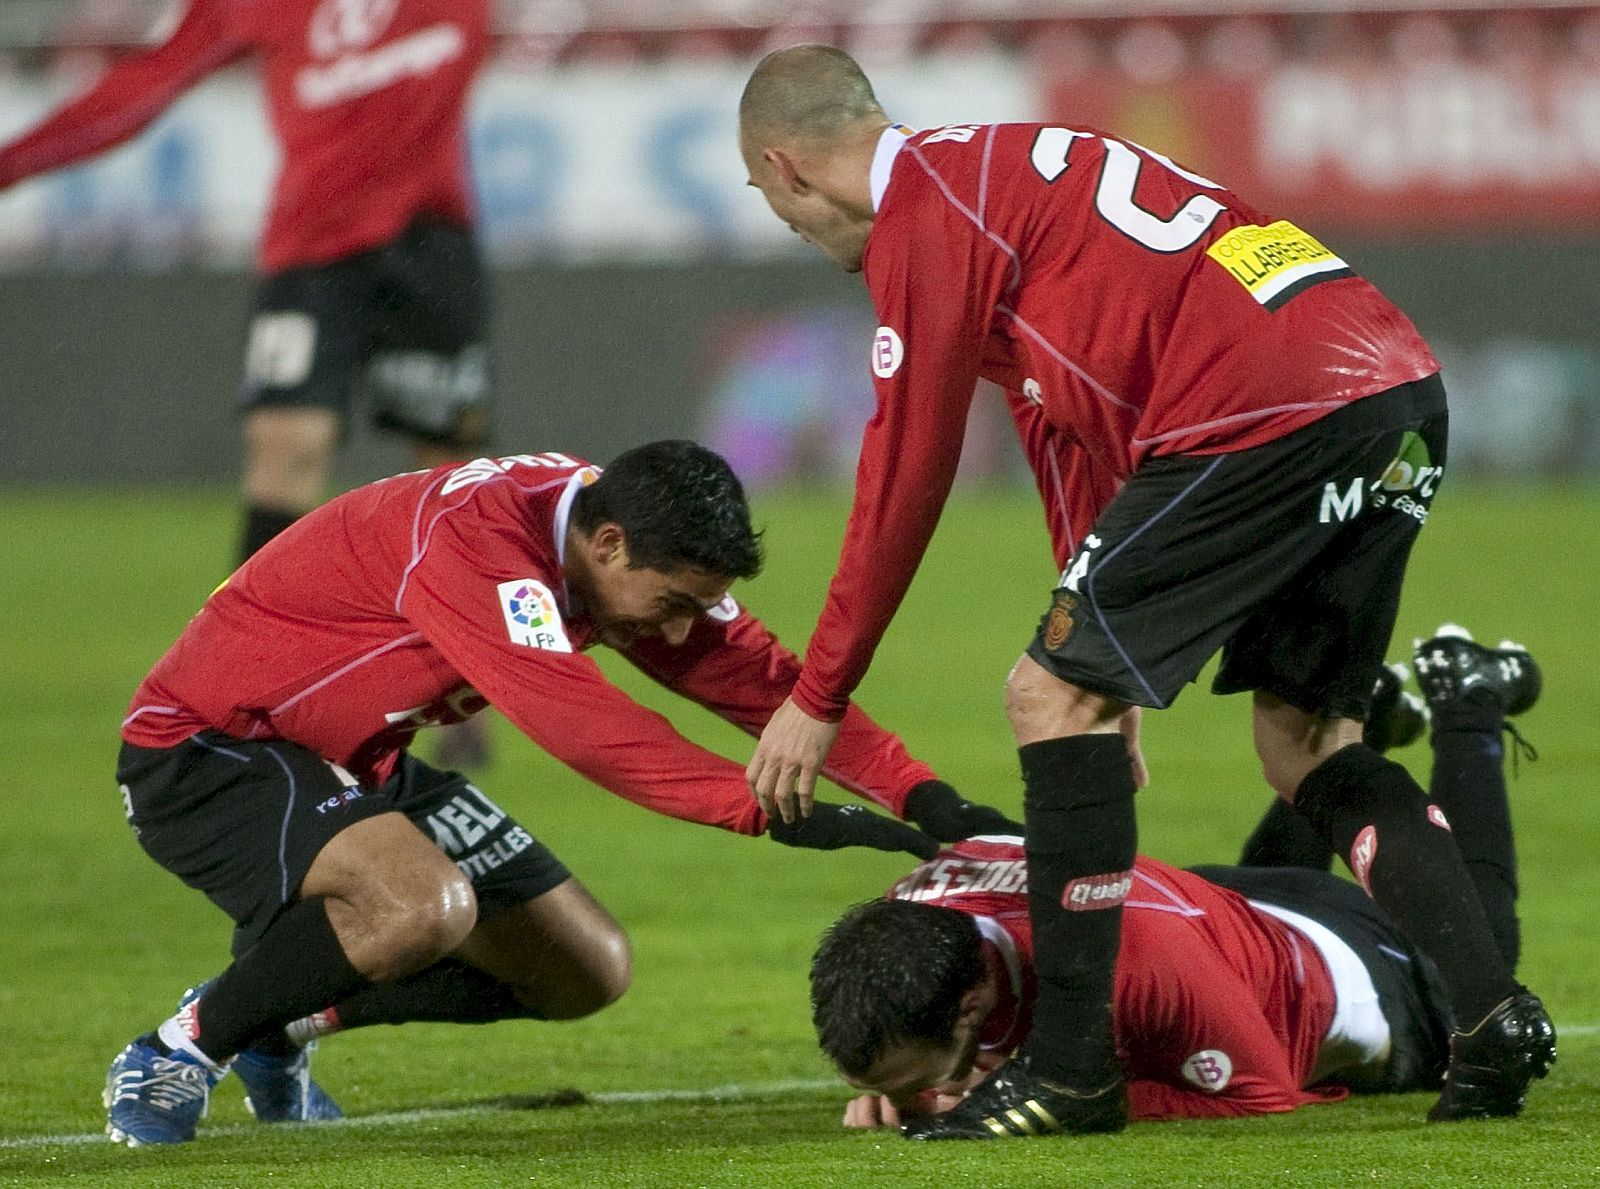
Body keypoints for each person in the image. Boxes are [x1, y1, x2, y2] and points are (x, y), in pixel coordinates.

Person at [736, 44, 1553, 1133]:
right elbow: (1057, 428)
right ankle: (1488, 1014)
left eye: (775, 205)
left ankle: (1071, 1071)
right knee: (1306, 743)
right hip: (1391, 389)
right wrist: (1108, 675)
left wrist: (820, 692)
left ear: (787, 169)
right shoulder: (1001, 177)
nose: (794, 231)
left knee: (1041, 697)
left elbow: (904, 467)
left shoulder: (926, 214)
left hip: (1259, 410)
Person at [106, 440, 1018, 1147]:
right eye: (673, 602)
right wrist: (766, 810)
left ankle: (279, 1014)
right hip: (214, 744)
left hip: (360, 761)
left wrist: (922, 793)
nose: (679, 625)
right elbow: (586, 728)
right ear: (611, 543)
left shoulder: (611, 540)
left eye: (698, 605)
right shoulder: (480, 544)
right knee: (422, 906)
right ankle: (176, 1050)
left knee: (585, 970)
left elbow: (759, 678)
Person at [811, 629, 1544, 1131]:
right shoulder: (910, 918)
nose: (915, 1100)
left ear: (972, 1000)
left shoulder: (1142, 965)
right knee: (1230, 920)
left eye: (915, 1080)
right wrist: (905, 1091)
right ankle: (1367, 725)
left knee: (1479, 950)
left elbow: (1264, 1093)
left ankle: (1468, 702)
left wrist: (1038, 1092)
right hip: (1226, 908)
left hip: (1360, 976)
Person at [0, 0, 494, 566]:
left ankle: (462, 647)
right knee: (287, 450)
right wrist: (11, 163)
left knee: (452, 473)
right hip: (311, 252)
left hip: (431, 247)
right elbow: (146, 84)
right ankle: (256, 644)